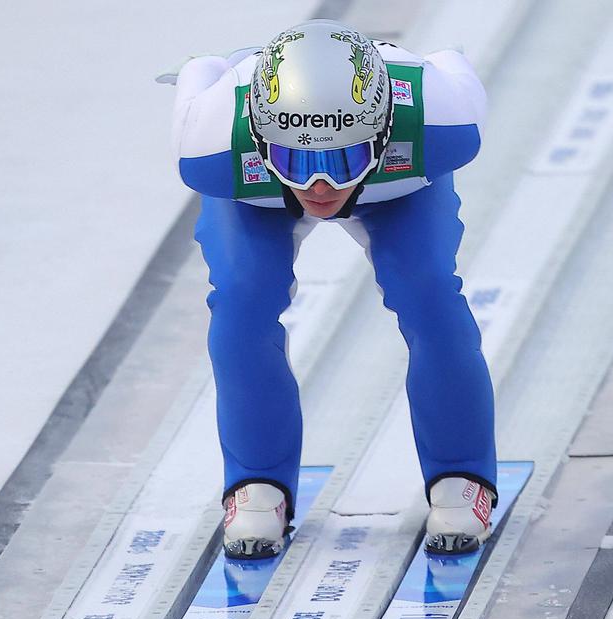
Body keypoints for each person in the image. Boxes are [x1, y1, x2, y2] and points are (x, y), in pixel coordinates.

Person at [170, 20, 497, 558]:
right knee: (241, 300)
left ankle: (461, 475)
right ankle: (256, 481)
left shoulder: (442, 118)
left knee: (430, 292)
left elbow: (446, 61)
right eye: (296, 159)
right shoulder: (209, 140)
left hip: (371, 186)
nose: (319, 186)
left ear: (385, 128)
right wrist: (207, 69)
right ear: (257, 137)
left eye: (340, 157)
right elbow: (200, 73)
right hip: (284, 191)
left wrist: (287, 167)